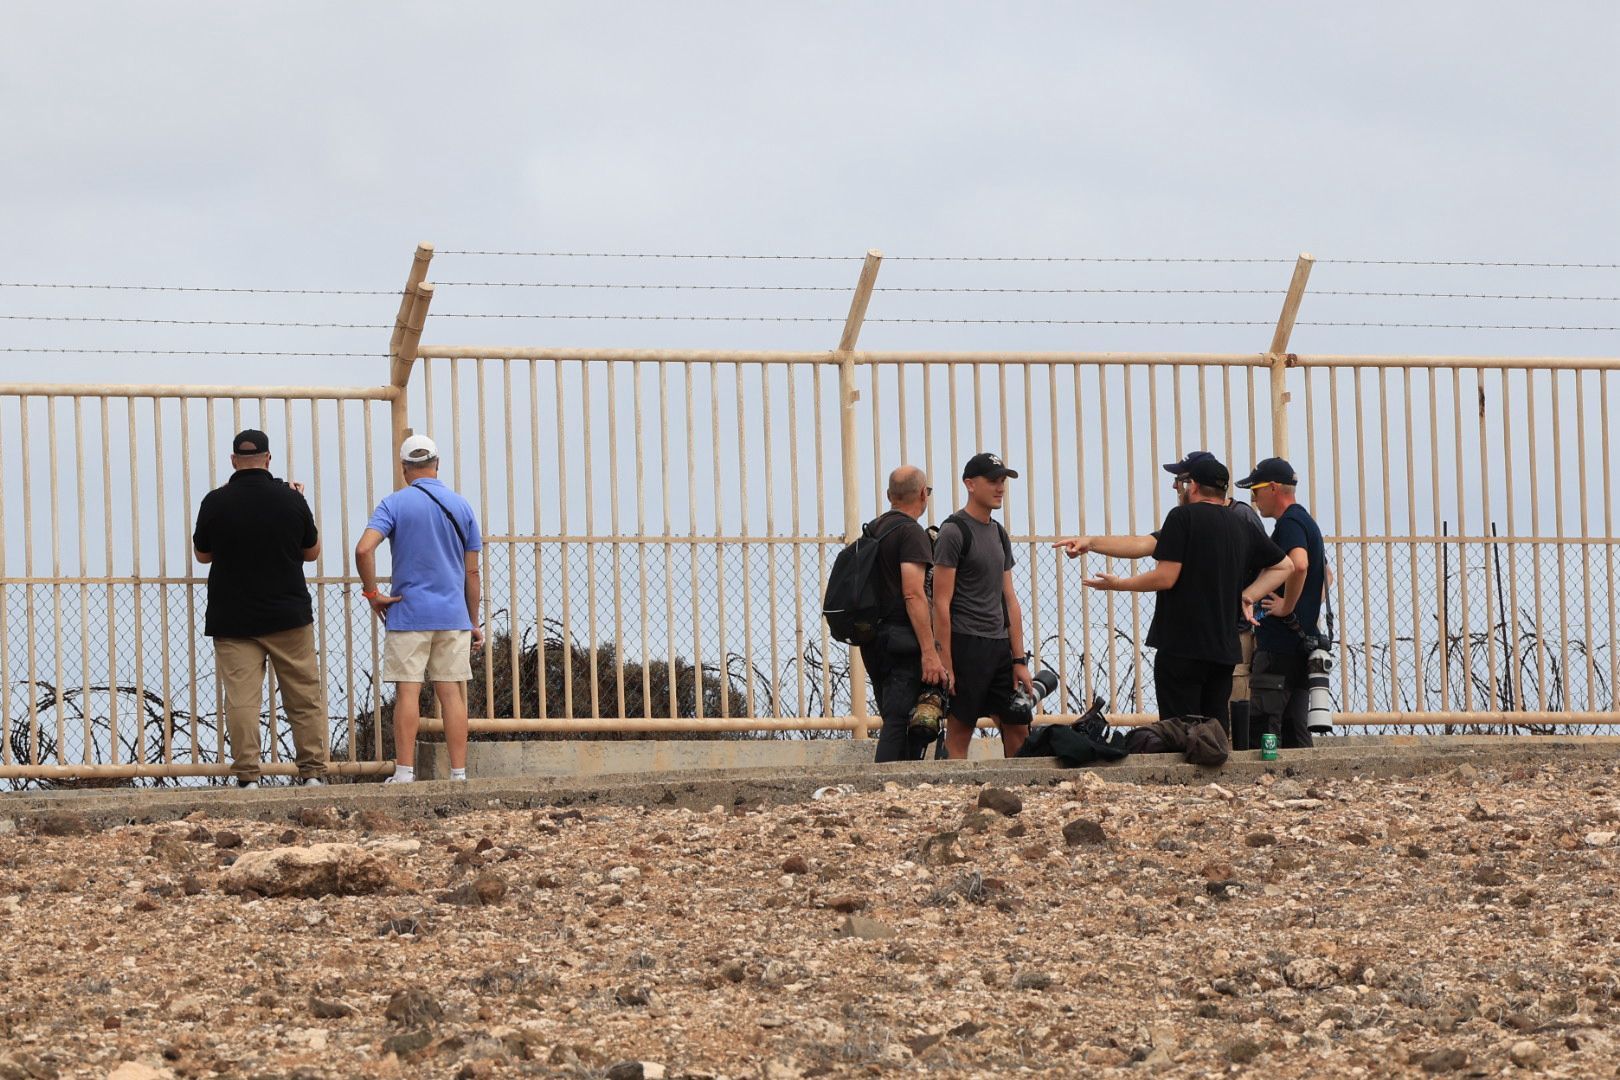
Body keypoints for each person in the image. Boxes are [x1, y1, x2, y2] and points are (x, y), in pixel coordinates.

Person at [1054, 450, 1268, 747]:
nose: (1175, 488)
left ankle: (1185, 788)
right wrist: (1250, 596)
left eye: (1179, 481)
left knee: (1179, 731)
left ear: (1192, 485)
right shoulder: (1240, 523)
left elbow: (1165, 575)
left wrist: (1120, 583)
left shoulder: (1183, 517)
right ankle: (1217, 785)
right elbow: (1288, 564)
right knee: (1214, 731)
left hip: (1182, 644)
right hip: (1223, 648)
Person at [192, 429, 329, 789]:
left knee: (242, 701)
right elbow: (312, 553)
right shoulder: (290, 499)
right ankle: (312, 772)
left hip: (233, 617)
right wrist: (299, 501)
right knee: (302, 697)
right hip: (288, 617)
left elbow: (203, 555)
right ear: (268, 460)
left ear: (234, 461)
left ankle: (248, 776)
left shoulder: (215, 501)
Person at [355, 434, 484, 783]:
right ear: (438, 464)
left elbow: (364, 550)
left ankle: (404, 772)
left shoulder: (393, 504)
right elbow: (471, 571)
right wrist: (472, 621)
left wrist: (372, 594)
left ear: (403, 469)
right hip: (453, 616)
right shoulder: (462, 506)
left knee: (407, 691)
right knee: (452, 693)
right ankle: (458, 774)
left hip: (408, 613)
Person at [934, 452, 1036, 759]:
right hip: (966, 645)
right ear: (970, 484)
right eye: (993, 481)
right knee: (961, 728)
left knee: (1018, 723)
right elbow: (940, 602)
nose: (1000, 487)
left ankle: (1021, 791)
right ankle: (953, 795)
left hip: (999, 647)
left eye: (1003, 481)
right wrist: (946, 662)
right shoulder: (954, 531)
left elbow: (1010, 598)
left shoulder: (998, 532)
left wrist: (1019, 659)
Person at [858, 465, 948, 763]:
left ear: (889, 495)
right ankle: (887, 786)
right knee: (898, 719)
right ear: (923, 494)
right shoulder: (911, 533)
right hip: (902, 638)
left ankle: (902, 780)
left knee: (893, 713)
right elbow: (913, 593)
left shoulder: (874, 529)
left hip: (872, 638)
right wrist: (929, 651)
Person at [1237, 457, 1327, 749]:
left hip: (1279, 649)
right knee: (1295, 729)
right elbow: (1327, 575)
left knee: (1265, 728)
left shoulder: (1289, 523)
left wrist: (1287, 606)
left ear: (1274, 488)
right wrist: (1305, 605)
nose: (1254, 500)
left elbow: (1298, 564)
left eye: (1256, 491)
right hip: (1301, 646)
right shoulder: (1306, 521)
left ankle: (1266, 785)